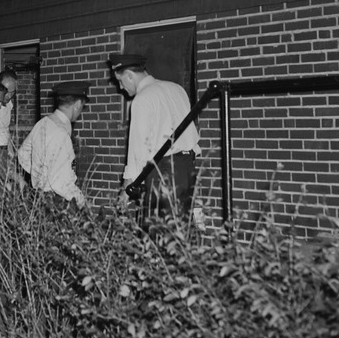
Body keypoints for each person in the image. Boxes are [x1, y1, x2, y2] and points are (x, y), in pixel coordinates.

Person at [109, 52, 201, 221]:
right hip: (188, 168)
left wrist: (125, 191)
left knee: (159, 232)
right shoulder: (177, 89)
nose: (121, 87)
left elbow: (137, 153)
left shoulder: (142, 99)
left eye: (120, 81)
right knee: (185, 227)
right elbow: (192, 135)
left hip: (163, 173)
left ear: (129, 76)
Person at [17, 81, 89, 208]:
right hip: (56, 201)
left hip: (39, 197)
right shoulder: (61, 132)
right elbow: (59, 183)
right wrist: (81, 200)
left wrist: (39, 175)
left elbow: (23, 154)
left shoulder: (43, 123)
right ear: (77, 104)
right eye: (82, 106)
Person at [0, 68, 18, 156]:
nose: (9, 96)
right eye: (6, 92)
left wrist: (11, 151)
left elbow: (6, 129)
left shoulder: (9, 103)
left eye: (12, 92)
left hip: (5, 147)